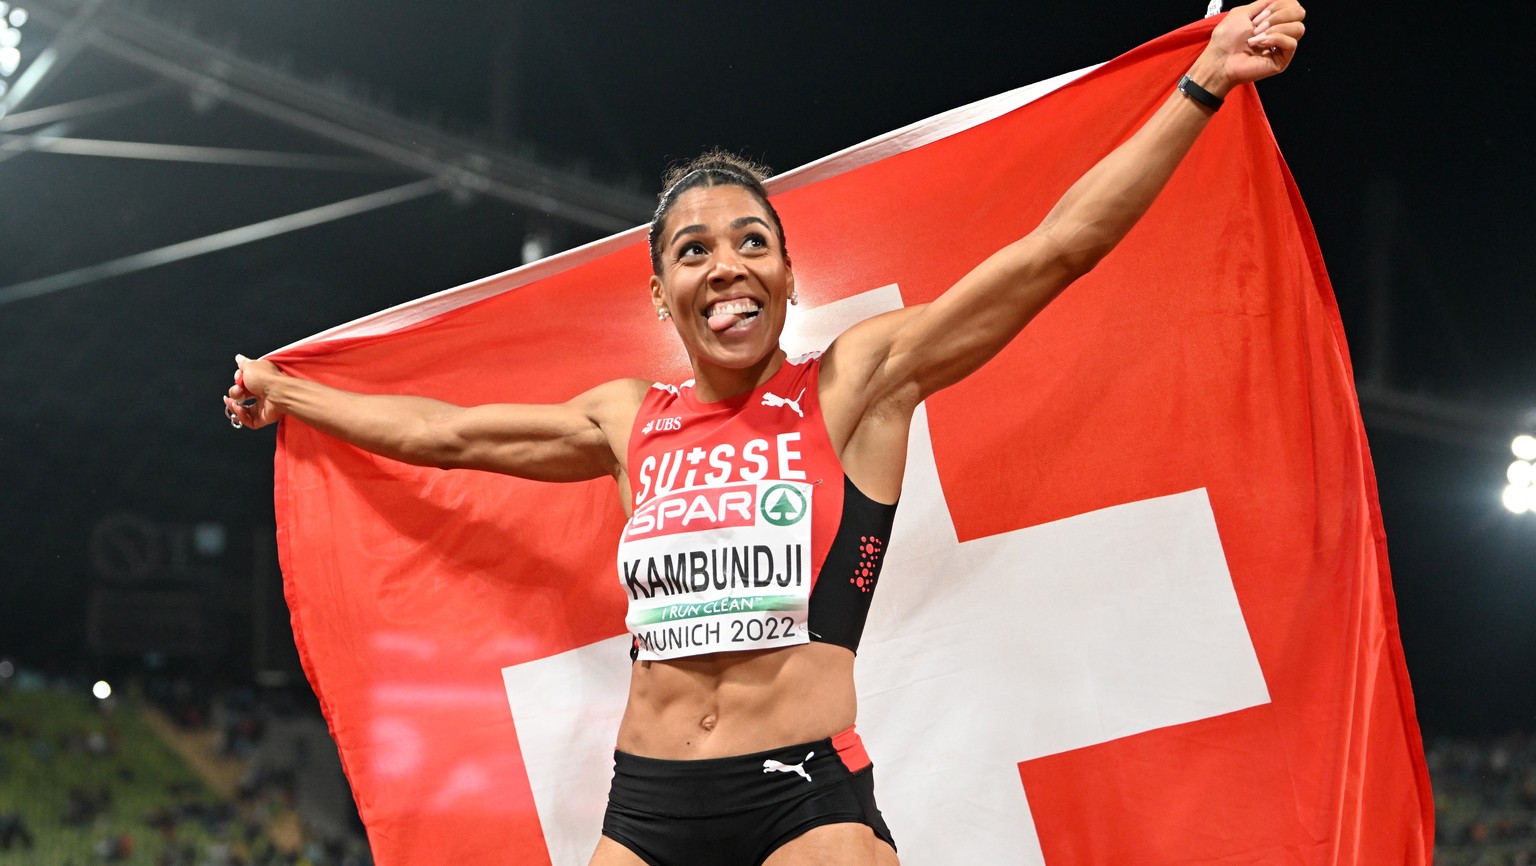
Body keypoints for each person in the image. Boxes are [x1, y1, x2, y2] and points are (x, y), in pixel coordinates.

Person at [225, 3, 1306, 863]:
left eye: (752, 240)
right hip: (645, 801)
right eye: (693, 250)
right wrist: (292, 396)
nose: (725, 264)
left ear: (789, 274)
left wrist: (1202, 82)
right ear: (661, 292)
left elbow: (1054, 251)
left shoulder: (857, 384)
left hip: (803, 797)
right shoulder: (624, 420)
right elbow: (441, 433)